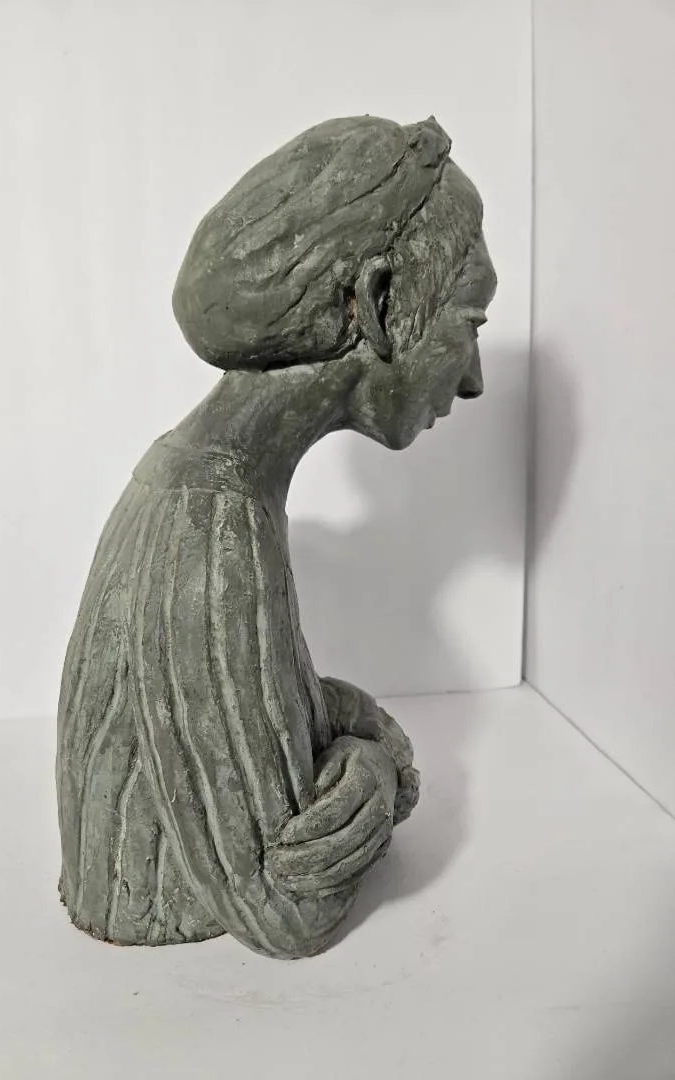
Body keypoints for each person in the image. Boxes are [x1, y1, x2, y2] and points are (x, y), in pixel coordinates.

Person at [56, 115, 497, 959]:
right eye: (469, 321)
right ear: (379, 304)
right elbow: (286, 913)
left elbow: (247, 708)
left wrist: (350, 726)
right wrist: (377, 770)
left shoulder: (205, 482)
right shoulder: (213, 528)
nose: (472, 378)